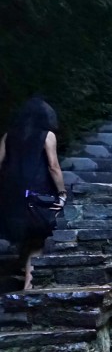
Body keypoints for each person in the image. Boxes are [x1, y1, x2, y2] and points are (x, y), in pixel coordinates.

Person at [0, 98, 67, 290]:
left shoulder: (8, 135)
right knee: (38, 236)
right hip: (38, 192)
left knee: (24, 234)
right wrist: (62, 192)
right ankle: (29, 284)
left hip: (11, 193)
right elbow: (53, 166)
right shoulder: (47, 135)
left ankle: (26, 278)